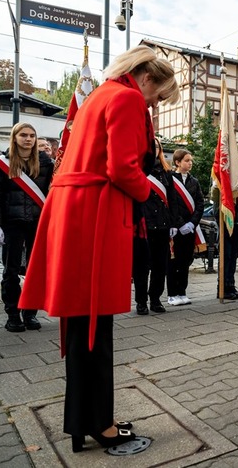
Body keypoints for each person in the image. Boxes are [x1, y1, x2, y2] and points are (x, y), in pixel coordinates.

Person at [18, 45, 180, 451]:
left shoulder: (101, 95)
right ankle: (97, 423)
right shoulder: (126, 98)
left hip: (75, 210)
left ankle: (85, 420)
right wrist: (151, 194)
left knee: (82, 322)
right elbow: (122, 168)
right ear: (146, 79)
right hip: (95, 214)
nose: (155, 106)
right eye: (158, 97)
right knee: (96, 323)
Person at [0, 122, 53, 332]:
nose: (28, 139)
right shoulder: (0, 164)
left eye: (32, 135)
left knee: (35, 271)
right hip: (12, 225)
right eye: (23, 135)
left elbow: (53, 191)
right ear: (14, 138)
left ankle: (30, 313)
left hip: (37, 223)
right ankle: (13, 314)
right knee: (11, 271)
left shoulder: (45, 163)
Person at [133, 138, 179, 315]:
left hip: (163, 225)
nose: (154, 149)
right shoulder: (138, 171)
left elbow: (173, 199)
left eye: (157, 147)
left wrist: (173, 222)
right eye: (151, 147)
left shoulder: (166, 173)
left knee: (161, 265)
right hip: (144, 225)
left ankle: (155, 299)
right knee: (142, 266)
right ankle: (141, 301)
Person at [167, 149, 204, 306]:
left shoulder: (194, 182)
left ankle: (182, 291)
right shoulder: (170, 180)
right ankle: (172, 294)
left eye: (191, 160)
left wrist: (192, 223)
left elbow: (200, 204)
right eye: (187, 160)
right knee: (173, 262)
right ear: (177, 162)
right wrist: (179, 223)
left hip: (190, 227)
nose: (190, 163)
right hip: (176, 228)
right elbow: (171, 204)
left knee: (186, 261)